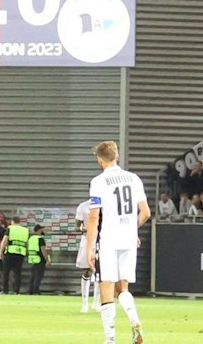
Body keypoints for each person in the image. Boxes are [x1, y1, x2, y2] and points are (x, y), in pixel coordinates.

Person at [82, 139, 150, 344]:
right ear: (117, 156)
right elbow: (145, 212)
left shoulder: (99, 182)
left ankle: (110, 339)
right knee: (123, 288)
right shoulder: (133, 178)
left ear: (100, 160)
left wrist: (90, 247)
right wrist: (131, 228)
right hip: (129, 239)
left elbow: (94, 218)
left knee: (107, 288)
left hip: (109, 239)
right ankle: (134, 319)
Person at [76, 197, 100, 314]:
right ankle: (84, 303)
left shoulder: (106, 204)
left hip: (101, 239)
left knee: (100, 271)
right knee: (87, 271)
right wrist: (84, 228)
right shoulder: (83, 206)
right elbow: (77, 226)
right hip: (87, 240)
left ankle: (96, 302)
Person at [2, 214, 29, 295]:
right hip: (20, 253)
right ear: (19, 222)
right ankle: (16, 290)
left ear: (12, 222)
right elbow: (27, 243)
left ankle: (5, 290)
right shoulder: (25, 230)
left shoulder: (10, 228)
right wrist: (26, 253)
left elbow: (4, 241)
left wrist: (1, 251)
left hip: (10, 252)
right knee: (18, 273)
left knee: (6, 272)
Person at [26, 224, 48, 296]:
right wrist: (47, 260)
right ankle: (36, 291)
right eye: (43, 229)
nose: (44, 231)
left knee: (32, 276)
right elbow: (43, 250)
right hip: (40, 260)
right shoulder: (40, 239)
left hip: (32, 259)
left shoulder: (31, 238)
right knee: (38, 277)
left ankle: (30, 290)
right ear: (39, 230)